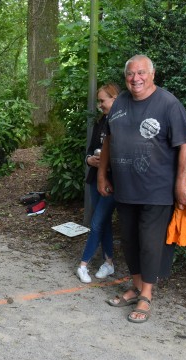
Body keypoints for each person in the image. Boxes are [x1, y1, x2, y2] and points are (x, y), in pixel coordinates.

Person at [97, 54, 186, 323]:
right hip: (125, 188)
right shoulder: (119, 104)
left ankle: (147, 294)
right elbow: (109, 140)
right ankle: (137, 286)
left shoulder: (168, 103)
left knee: (150, 243)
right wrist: (102, 175)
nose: (135, 78)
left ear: (152, 75)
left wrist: (181, 184)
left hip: (157, 189)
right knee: (129, 241)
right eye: (130, 73)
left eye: (141, 73)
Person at [76, 83, 120, 283]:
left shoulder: (122, 122)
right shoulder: (101, 121)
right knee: (103, 223)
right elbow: (90, 149)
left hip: (113, 182)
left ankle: (83, 265)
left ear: (115, 98)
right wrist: (89, 160)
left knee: (96, 223)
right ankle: (109, 262)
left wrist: (107, 163)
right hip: (95, 178)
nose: (100, 105)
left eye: (103, 100)